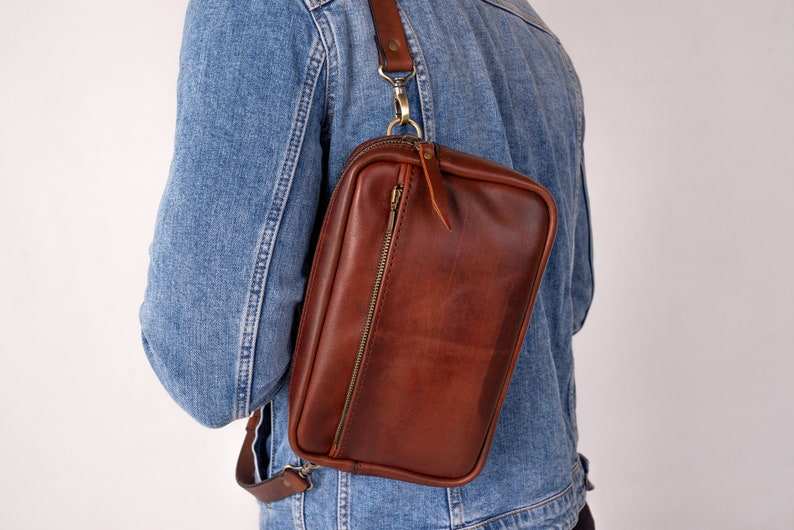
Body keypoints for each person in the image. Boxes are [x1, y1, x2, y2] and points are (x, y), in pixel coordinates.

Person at [140, 1, 595, 528]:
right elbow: (571, 299)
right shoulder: (528, 27)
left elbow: (211, 374)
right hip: (558, 506)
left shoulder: (276, 10)